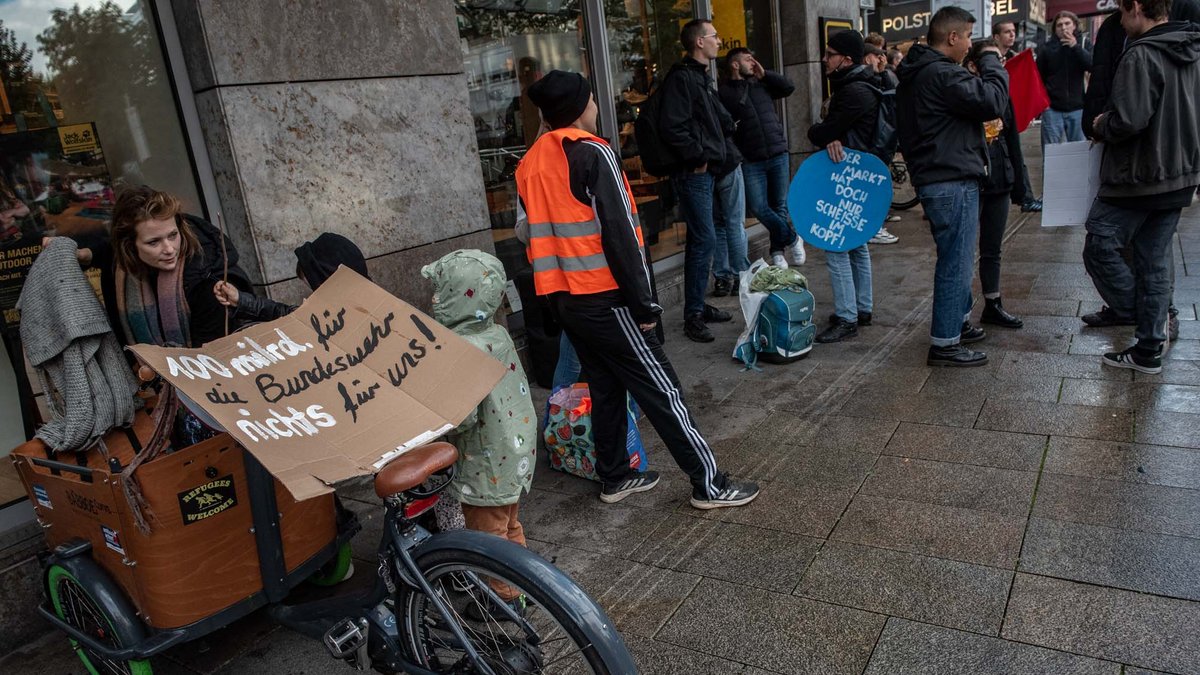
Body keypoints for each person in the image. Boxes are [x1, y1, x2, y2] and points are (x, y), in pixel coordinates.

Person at [515, 69, 759, 509]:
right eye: (591, 98)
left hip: (565, 299)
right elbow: (622, 233)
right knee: (663, 390)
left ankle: (615, 476)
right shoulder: (593, 153)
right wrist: (645, 302)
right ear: (580, 106)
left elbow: (527, 234)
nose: (595, 105)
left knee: (606, 385)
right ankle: (711, 484)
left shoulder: (530, 163)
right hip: (606, 297)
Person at [420, 249, 537, 619]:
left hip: (484, 464)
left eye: (440, 291)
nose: (434, 299)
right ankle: (527, 586)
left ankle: (503, 599)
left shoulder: (461, 350)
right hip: (514, 453)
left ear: (459, 295)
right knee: (509, 523)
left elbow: (463, 417)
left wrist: (431, 424)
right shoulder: (497, 333)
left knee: (488, 539)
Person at [1084, 0, 1199, 374]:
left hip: (1138, 175)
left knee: (1099, 245)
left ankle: (1146, 316)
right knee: (1153, 258)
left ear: (1136, 7)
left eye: (1120, 11)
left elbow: (1128, 120)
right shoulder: (1191, 48)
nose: (1119, 20)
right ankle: (1148, 347)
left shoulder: (1141, 53)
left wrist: (1102, 123)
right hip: (1178, 173)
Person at [897, 7, 1008, 367]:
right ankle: (945, 343)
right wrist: (991, 62)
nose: (972, 46)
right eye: (970, 38)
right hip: (949, 178)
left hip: (940, 175)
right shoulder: (941, 74)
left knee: (957, 258)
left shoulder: (919, 73)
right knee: (956, 263)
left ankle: (958, 322)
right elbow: (992, 100)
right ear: (953, 37)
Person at [658, 18, 735, 342]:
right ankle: (692, 316)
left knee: (702, 240)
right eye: (714, 35)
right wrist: (699, 157)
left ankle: (696, 307)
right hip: (695, 174)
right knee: (704, 240)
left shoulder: (700, 78)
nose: (719, 40)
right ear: (699, 43)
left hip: (709, 170)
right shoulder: (683, 79)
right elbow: (672, 126)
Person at [806, 30, 877, 344]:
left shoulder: (851, 92)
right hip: (860, 176)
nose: (824, 59)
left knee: (836, 246)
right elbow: (833, 131)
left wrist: (824, 131)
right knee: (857, 243)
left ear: (846, 59)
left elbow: (820, 133)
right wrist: (832, 132)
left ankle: (847, 317)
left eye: (829, 53)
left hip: (847, 176)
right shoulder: (867, 83)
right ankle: (863, 308)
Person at [718, 47, 806, 274]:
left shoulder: (761, 84)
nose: (753, 62)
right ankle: (793, 238)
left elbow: (789, 87)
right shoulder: (725, 92)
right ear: (735, 65)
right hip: (750, 159)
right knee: (758, 207)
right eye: (748, 59)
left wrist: (764, 73)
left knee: (779, 206)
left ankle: (777, 252)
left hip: (777, 152)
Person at [966, 40, 1027, 330]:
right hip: (973, 177)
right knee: (964, 250)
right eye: (993, 60)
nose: (999, 65)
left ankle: (993, 303)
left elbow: (1014, 141)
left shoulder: (1002, 94)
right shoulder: (965, 90)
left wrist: (1022, 188)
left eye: (1001, 59)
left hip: (1000, 177)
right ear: (973, 65)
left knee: (992, 248)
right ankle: (961, 311)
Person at [213, 232, 370, 321]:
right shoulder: (329, 312)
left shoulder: (362, 315)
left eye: (316, 287)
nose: (314, 295)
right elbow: (283, 313)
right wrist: (240, 299)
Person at [992, 20, 1043, 213]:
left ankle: (1026, 197)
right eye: (1007, 32)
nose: (1012, 35)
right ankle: (1025, 197)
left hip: (1006, 116)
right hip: (995, 120)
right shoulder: (990, 57)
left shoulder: (1012, 58)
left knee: (1016, 156)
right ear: (997, 36)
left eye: (1013, 31)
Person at [863, 42, 904, 244]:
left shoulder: (881, 76)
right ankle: (873, 227)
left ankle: (875, 225)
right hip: (874, 143)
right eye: (876, 56)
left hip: (882, 141)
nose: (880, 60)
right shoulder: (868, 81)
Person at [1036, 11, 1092, 146]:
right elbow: (1039, 76)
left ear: (1074, 26)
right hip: (1052, 109)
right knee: (1051, 154)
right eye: (1059, 25)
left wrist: (1075, 47)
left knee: (1078, 152)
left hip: (1078, 108)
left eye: (1067, 23)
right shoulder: (1047, 48)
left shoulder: (1083, 43)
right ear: (1055, 29)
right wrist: (1044, 103)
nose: (1064, 28)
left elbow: (1091, 65)